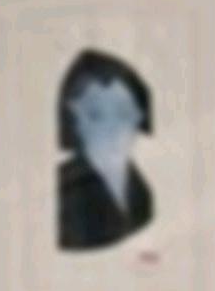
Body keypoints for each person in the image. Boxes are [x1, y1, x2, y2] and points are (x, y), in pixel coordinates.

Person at [55, 47, 157, 252]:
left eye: (123, 113)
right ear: (74, 120)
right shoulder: (63, 194)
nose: (112, 131)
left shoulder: (142, 189)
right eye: (95, 116)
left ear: (139, 117)